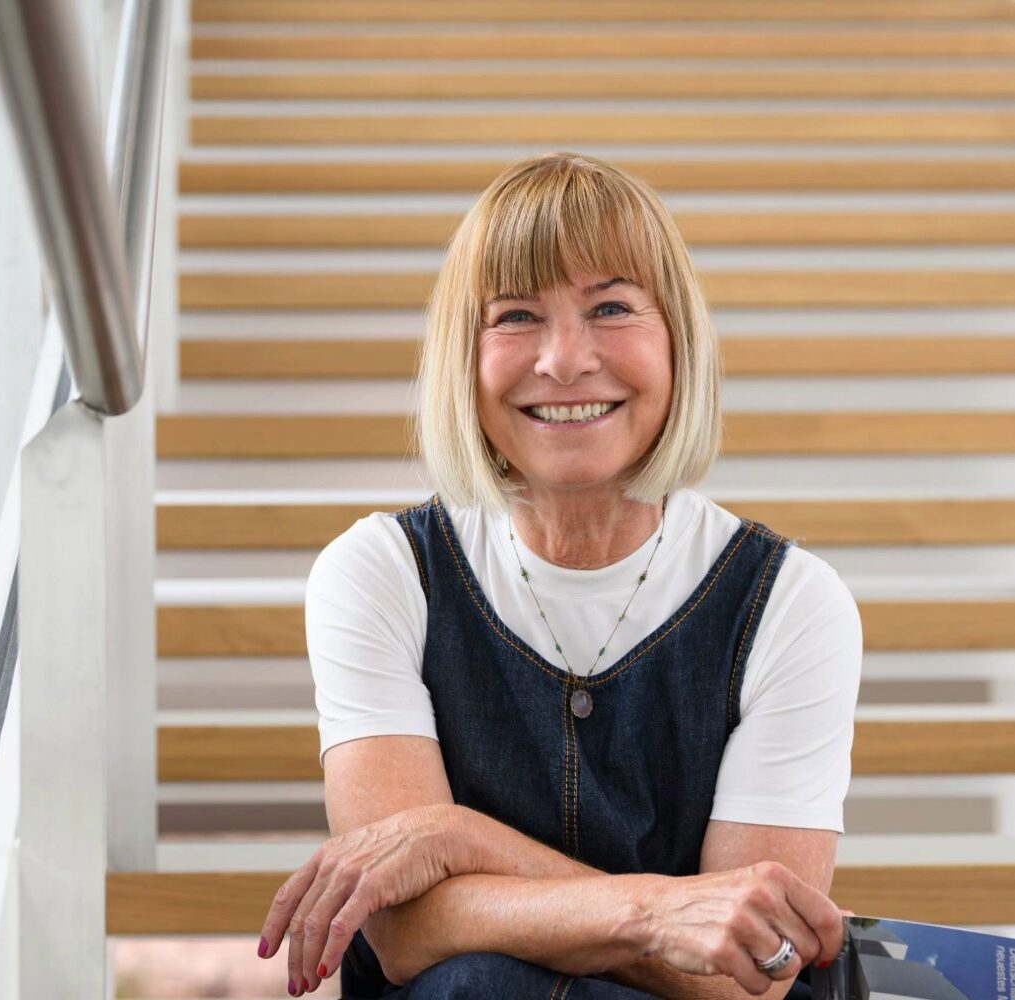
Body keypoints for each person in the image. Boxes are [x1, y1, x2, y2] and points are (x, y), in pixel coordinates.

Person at [253, 152, 864, 999]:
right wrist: (658, 914)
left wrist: (458, 841)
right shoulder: (380, 573)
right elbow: (402, 931)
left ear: (676, 338)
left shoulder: (792, 604)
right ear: (461, 357)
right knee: (471, 984)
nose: (564, 361)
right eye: (514, 317)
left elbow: (748, 975)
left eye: (610, 307)